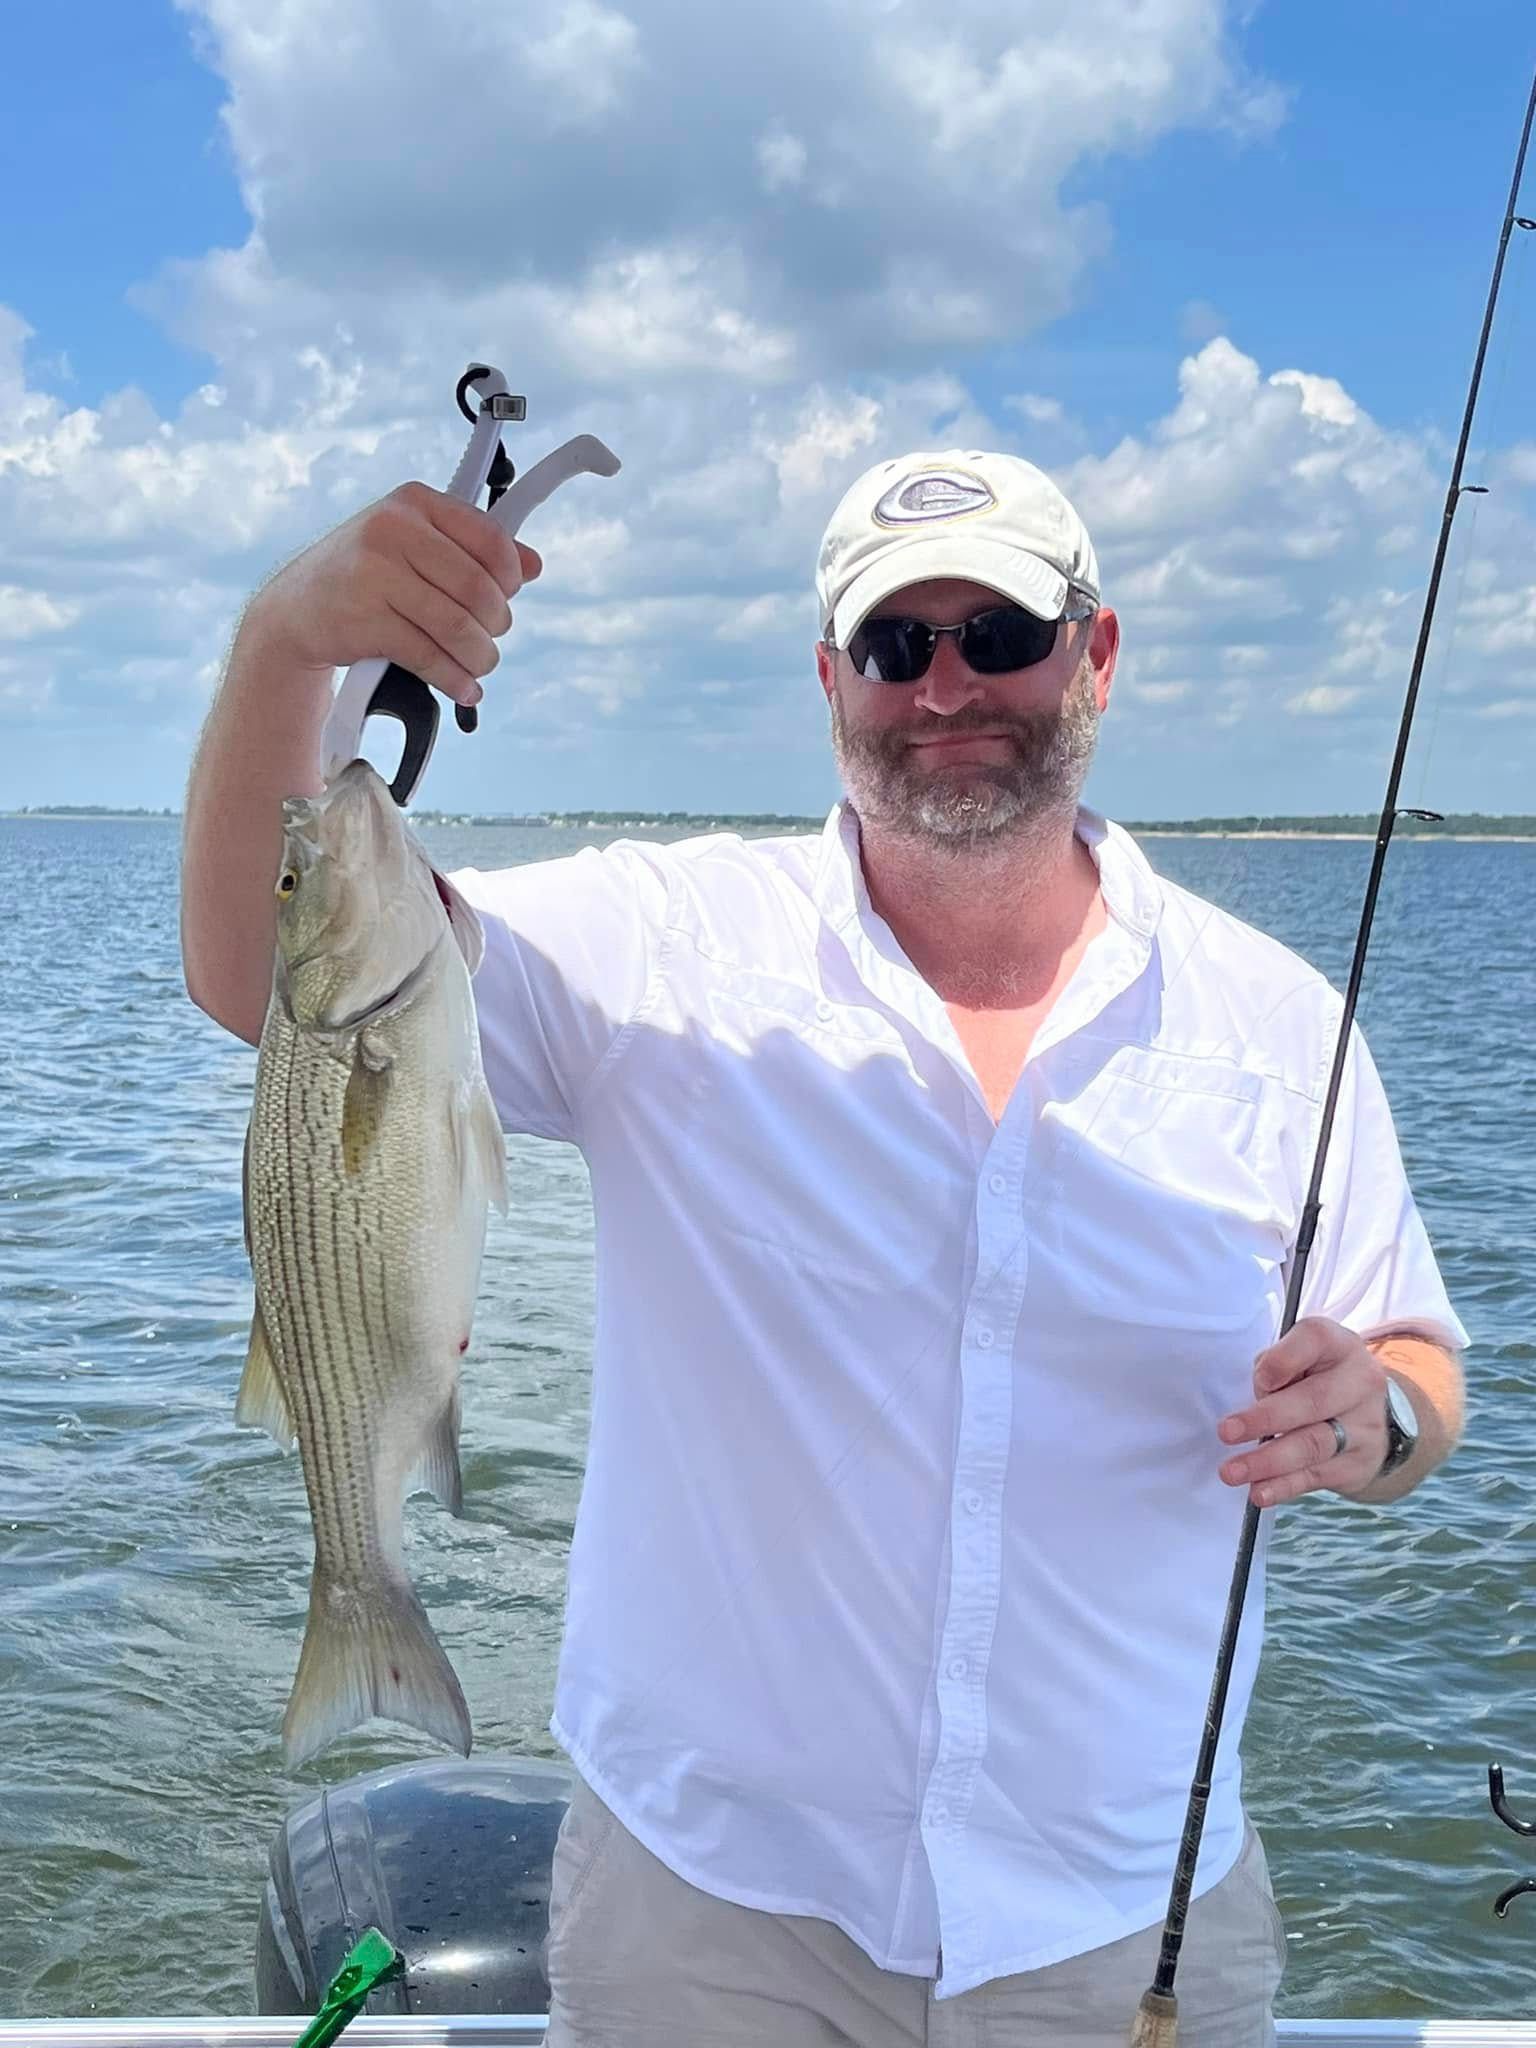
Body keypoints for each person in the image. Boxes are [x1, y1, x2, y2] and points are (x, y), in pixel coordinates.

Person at [182, 447, 1468, 2046]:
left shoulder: (1281, 1024)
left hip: (1125, 1921)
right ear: (829, 681)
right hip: (712, 1915)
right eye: (891, 646)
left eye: (997, 635)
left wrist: (1378, 1416)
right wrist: (291, 639)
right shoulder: (664, 947)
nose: (945, 686)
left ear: (1100, 654)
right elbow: (266, 977)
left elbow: (1417, 1366)